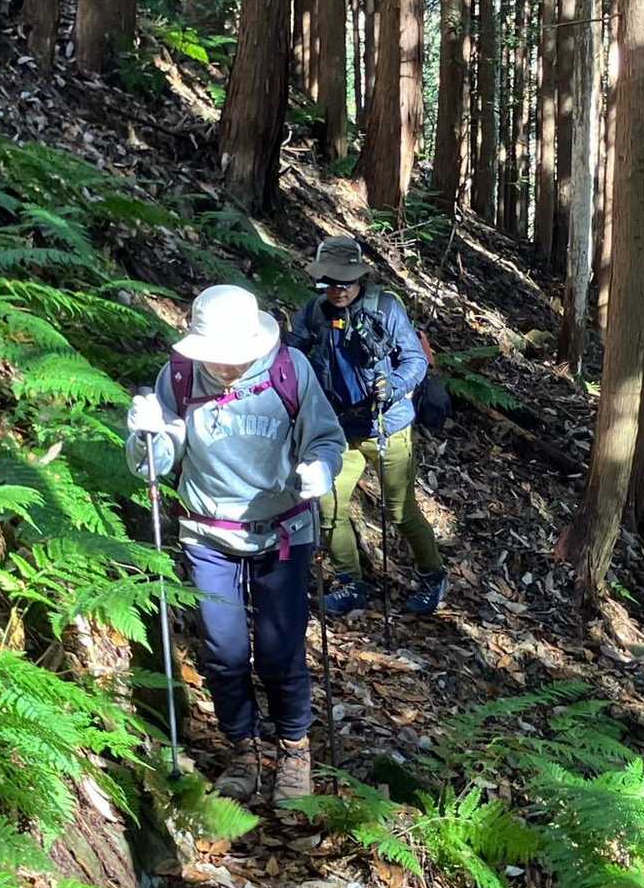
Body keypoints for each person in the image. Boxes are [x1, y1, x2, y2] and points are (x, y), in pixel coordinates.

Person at [126, 284, 346, 803]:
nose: (224, 367)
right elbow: (156, 464)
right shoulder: (179, 377)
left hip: (284, 532)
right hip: (207, 533)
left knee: (280, 649)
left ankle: (294, 748)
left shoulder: (289, 370)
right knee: (224, 651)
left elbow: (325, 437)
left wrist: (321, 467)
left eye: (234, 356)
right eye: (216, 356)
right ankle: (243, 750)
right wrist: (146, 438)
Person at [286, 236, 449, 617]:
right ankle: (350, 581)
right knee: (330, 506)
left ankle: (432, 575)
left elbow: (415, 360)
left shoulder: (385, 308)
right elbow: (291, 355)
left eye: (345, 281)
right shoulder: (314, 313)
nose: (338, 289)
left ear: (359, 278)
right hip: (342, 430)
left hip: (388, 427)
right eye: (330, 282)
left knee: (400, 511)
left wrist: (393, 387)